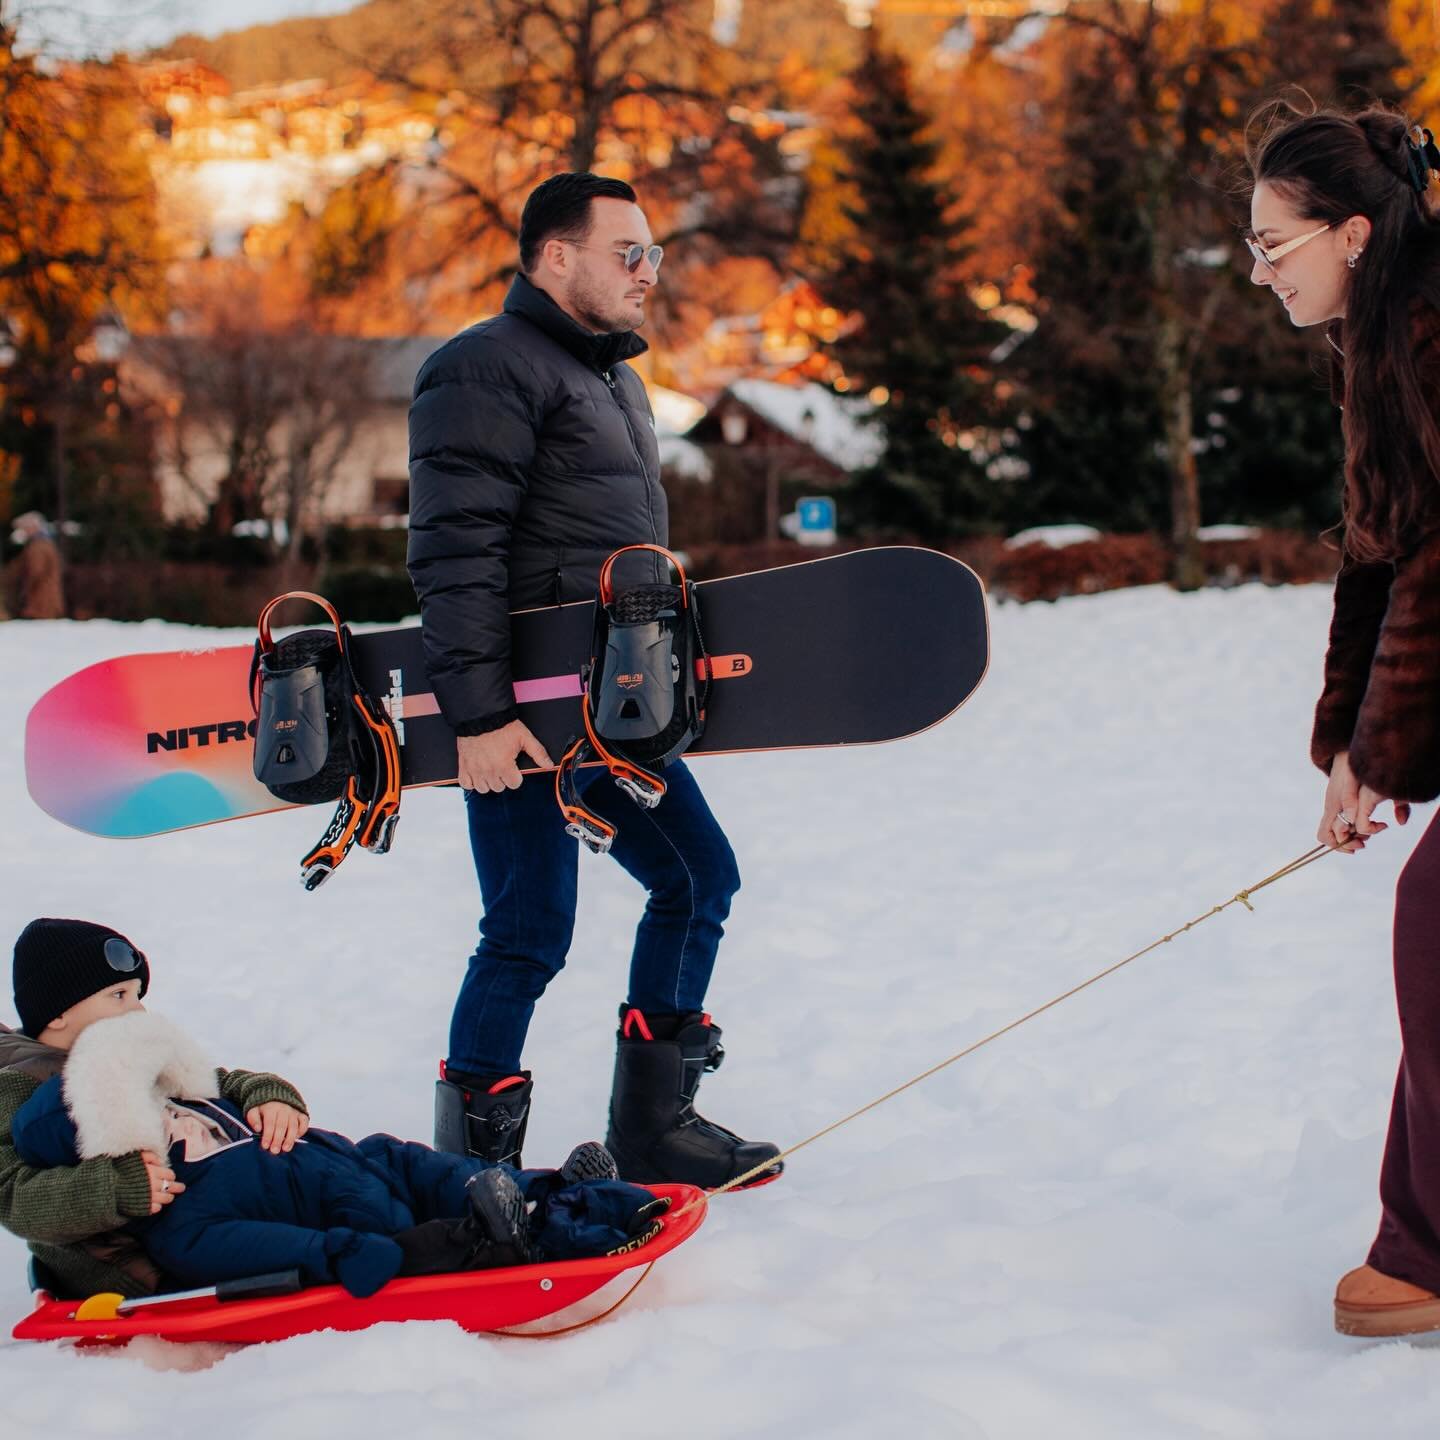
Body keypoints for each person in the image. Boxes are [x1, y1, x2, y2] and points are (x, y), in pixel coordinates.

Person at [407, 172, 780, 1189]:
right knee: (528, 930)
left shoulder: (614, 379)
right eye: (630, 253)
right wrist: (477, 718)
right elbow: (456, 552)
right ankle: (470, 1175)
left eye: (654, 254)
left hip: (611, 709)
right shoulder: (481, 368)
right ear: (555, 255)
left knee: (697, 876)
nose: (648, 273)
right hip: (524, 716)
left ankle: (654, 1127)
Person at [0, 918, 666, 1301]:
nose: (136, 1009)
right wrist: (118, 1186)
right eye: (117, 997)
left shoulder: (133, 1052)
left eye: (136, 995)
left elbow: (223, 1080)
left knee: (394, 1160)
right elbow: (15, 1197)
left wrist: (267, 1098)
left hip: (286, 1164)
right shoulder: (23, 1090)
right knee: (378, 1223)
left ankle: (550, 1192)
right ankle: (494, 1238)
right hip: (185, 1231)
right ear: (57, 1016)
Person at [1246, 101, 1440, 1338]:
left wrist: (1386, 746)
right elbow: (1382, 550)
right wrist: (1350, 747)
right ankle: (1418, 1242)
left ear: (1354, 234)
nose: (1260, 270)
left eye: (1276, 244)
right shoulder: (1379, 340)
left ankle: (1424, 1249)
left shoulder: (1428, 338)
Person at [5, 511, 65, 620]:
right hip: (44, 602)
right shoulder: (43, 544)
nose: (22, 532)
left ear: (32, 527)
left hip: (40, 604)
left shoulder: (38, 547)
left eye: (23, 528)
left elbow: (35, 572)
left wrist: (22, 590)